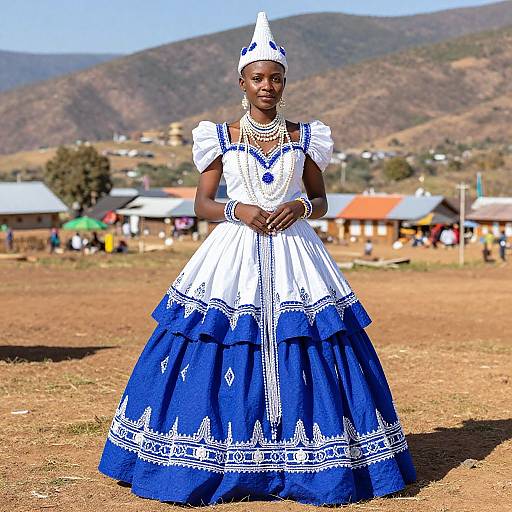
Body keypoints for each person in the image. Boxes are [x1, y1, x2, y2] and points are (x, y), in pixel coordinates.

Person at [98, 12, 416, 506]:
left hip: (296, 252)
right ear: (242, 82)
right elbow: (201, 203)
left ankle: (314, 462)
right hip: (233, 253)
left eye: (276, 78)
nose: (267, 86)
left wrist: (300, 206)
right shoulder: (218, 138)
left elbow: (322, 199)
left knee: (313, 339)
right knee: (216, 338)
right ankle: (209, 460)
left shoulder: (306, 137)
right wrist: (237, 208)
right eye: (258, 78)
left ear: (285, 82)